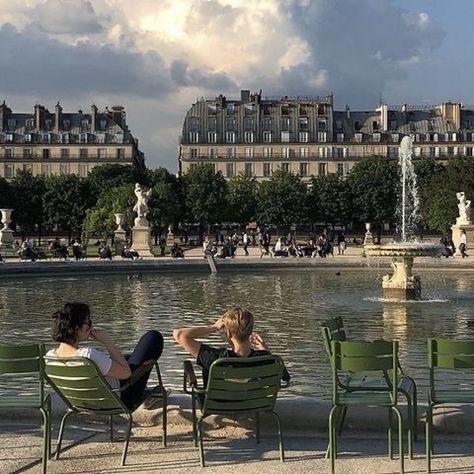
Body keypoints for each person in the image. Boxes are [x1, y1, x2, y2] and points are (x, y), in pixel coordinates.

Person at [46, 302, 164, 409]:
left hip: (81, 403)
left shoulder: (50, 357)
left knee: (128, 357)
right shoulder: (88, 355)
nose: (91, 327)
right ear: (77, 328)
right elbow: (126, 373)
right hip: (119, 399)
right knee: (153, 338)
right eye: (89, 323)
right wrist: (107, 341)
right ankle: (147, 392)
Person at [173, 307, 290, 387]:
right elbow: (284, 377)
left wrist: (213, 327)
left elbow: (179, 334)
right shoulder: (266, 359)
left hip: (218, 405)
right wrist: (265, 350)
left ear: (228, 333)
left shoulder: (216, 358)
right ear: (250, 332)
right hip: (254, 404)